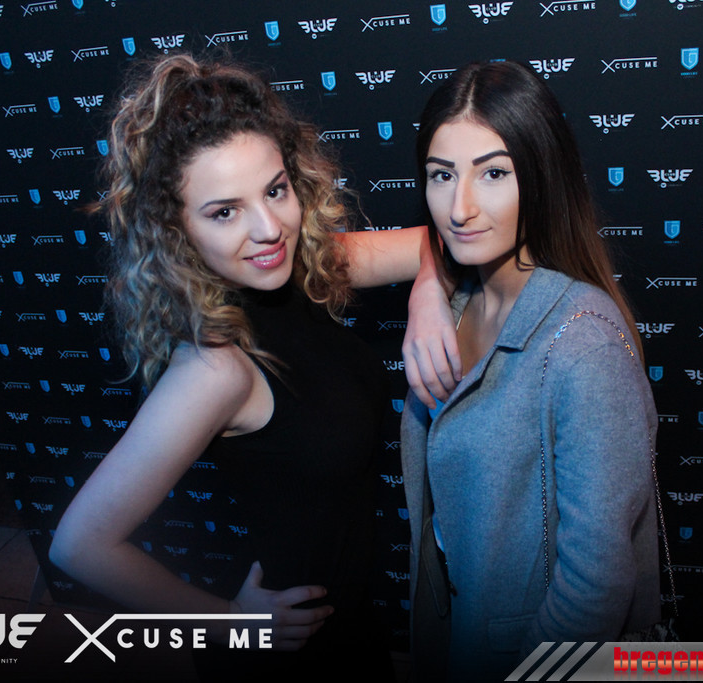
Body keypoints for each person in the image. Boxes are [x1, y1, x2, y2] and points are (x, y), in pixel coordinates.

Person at [48, 53, 452, 681]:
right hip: (299, 647)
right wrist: (233, 623)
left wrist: (427, 294)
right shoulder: (214, 369)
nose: (269, 229)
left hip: (354, 616)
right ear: (176, 229)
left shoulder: (304, 266)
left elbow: (439, 241)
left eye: (274, 190)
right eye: (224, 211)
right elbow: (78, 545)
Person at [400, 60, 661, 681]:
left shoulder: (583, 340)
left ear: (540, 177)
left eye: (493, 173)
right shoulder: (454, 306)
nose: (460, 207)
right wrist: (426, 285)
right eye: (442, 175)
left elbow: (595, 583)